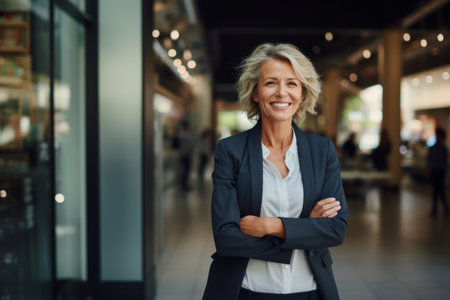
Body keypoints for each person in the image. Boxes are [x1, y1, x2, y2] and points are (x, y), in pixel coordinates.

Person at [203, 43, 349, 300]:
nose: (282, 93)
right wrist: (305, 230)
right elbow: (226, 238)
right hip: (246, 290)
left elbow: (336, 228)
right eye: (271, 83)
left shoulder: (322, 150)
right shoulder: (230, 151)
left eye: (292, 84)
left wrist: (271, 225)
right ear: (255, 92)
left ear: (302, 93)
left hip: (311, 291)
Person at [427, 127, 449, 217]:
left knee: (439, 189)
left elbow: (445, 161)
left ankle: (439, 208)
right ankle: (441, 208)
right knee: (437, 190)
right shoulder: (433, 148)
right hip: (435, 170)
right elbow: (429, 160)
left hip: (440, 171)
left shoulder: (443, 149)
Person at [177, 119, 194, 190]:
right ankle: (183, 185)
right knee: (185, 170)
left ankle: (185, 184)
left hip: (187, 154)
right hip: (184, 154)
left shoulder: (185, 133)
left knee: (186, 170)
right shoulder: (182, 134)